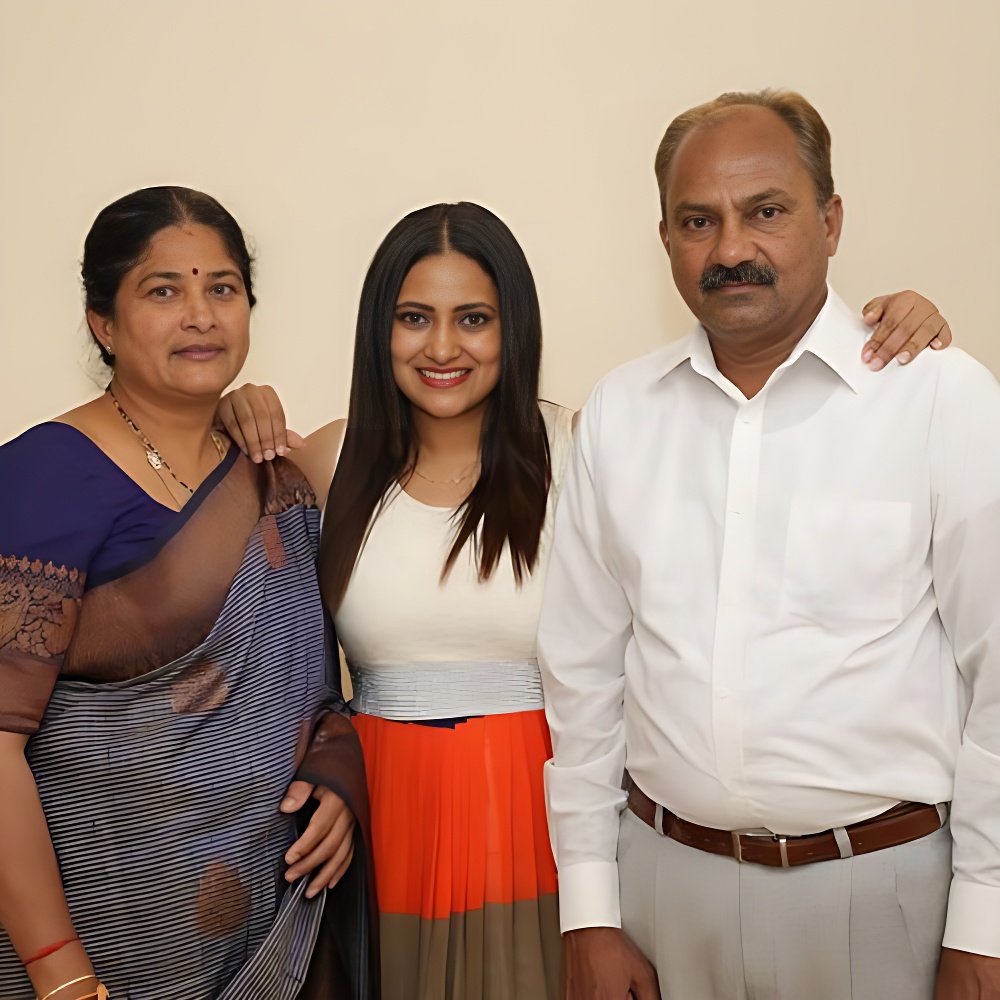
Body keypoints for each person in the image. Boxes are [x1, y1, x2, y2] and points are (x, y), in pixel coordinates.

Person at [219, 202, 947, 999]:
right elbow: (263, 635)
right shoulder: (331, 457)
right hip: (387, 824)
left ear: (515, 328)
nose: (442, 347)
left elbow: (740, 474)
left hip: (549, 814)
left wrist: (893, 326)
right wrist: (229, 410)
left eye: (474, 319)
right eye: (414, 318)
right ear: (378, 329)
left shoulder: (577, 444)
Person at [536, 89, 1000, 1000]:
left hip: (887, 893)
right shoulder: (622, 414)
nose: (731, 249)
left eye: (767, 212)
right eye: (697, 221)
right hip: (666, 889)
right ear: (665, 238)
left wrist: (984, 921)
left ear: (830, 221)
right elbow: (583, 674)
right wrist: (590, 908)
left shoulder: (938, 397)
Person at [0, 187, 375, 1000]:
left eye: (223, 289)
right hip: (93, 946)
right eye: (163, 290)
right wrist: (59, 972)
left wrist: (339, 777)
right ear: (103, 322)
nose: (200, 315)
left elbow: (312, 689)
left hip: (272, 924)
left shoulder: (275, 474)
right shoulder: (41, 478)